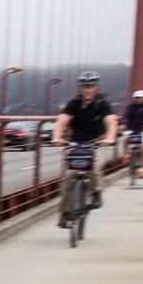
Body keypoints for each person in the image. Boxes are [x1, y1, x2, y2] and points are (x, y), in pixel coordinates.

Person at [51, 71, 117, 223]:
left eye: (91, 86)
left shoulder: (103, 104)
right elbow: (61, 121)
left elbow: (111, 122)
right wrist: (56, 137)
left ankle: (96, 193)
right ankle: (65, 213)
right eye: (85, 86)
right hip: (76, 142)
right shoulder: (73, 103)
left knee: (93, 168)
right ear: (80, 87)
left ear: (96, 87)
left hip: (96, 142)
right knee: (68, 177)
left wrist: (110, 138)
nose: (88, 89)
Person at [120, 89, 143, 178]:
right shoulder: (130, 106)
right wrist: (123, 123)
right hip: (132, 128)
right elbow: (125, 115)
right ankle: (126, 155)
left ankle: (141, 169)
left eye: (140, 97)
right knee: (126, 139)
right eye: (136, 97)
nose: (138, 99)